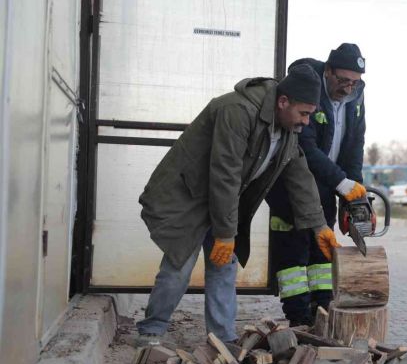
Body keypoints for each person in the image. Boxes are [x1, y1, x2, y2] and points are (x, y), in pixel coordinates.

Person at [135, 64, 340, 345]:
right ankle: (151, 330)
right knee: (178, 267)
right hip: (189, 197)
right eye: (303, 113)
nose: (306, 121)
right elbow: (225, 173)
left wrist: (319, 226)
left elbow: (299, 176)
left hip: (223, 201)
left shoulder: (286, 128)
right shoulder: (238, 111)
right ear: (283, 102)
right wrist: (225, 233)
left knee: (224, 268)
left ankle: (222, 339)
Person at [266, 43, 367, 326]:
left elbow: (354, 145)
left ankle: (321, 313)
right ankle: (298, 318)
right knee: (293, 258)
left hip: (328, 187)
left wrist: (354, 192)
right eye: (343, 80)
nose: (348, 88)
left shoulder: (355, 99)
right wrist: (341, 182)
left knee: (322, 254)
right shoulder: (309, 90)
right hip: (292, 189)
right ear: (328, 71)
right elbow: (303, 147)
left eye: (355, 83)